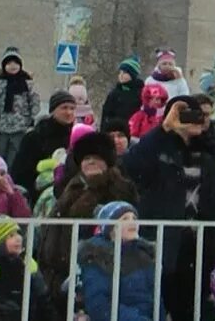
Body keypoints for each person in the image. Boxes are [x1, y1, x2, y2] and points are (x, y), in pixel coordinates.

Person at [122, 96, 215, 321]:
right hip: (163, 243)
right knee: (158, 305)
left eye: (198, 114)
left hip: (205, 245)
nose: (193, 120)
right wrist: (165, 129)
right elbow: (131, 168)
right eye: (184, 114)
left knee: (197, 310)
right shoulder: (156, 147)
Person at [37, 131, 138, 312]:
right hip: (59, 273)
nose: (90, 162)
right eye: (86, 158)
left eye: (97, 157)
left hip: (96, 272)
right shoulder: (71, 187)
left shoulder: (119, 187)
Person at [79, 202, 157, 321]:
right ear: (111, 228)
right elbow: (99, 305)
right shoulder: (97, 255)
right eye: (125, 218)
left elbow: (156, 300)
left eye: (134, 218)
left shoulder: (144, 254)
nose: (132, 222)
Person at [0, 217, 52, 321]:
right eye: (11, 236)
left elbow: (43, 298)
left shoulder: (28, 263)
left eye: (18, 233)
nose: (18, 238)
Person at [0, 47, 40, 168]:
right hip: (0, 128)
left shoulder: (27, 84)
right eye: (9, 63)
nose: (13, 66)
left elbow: (34, 102)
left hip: (20, 128)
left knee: (15, 161)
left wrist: (33, 119)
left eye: (16, 63)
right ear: (4, 65)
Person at [10, 91, 76, 200]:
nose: (69, 112)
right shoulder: (35, 137)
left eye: (72, 108)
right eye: (64, 108)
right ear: (53, 110)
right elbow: (20, 172)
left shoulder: (77, 137)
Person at [100, 56, 143, 131]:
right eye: (120, 72)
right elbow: (106, 114)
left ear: (133, 75)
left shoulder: (141, 92)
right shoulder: (114, 93)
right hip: (116, 130)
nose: (121, 75)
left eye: (125, 73)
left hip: (135, 130)